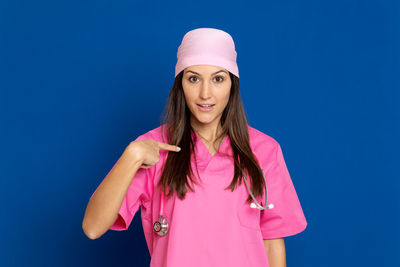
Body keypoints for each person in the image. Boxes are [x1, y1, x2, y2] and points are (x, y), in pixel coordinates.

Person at [82, 27, 307, 267]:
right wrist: (131, 156)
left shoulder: (264, 151)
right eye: (193, 78)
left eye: (218, 79)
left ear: (232, 85)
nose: (205, 93)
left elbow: (272, 243)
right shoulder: (153, 149)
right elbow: (93, 227)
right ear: (180, 84)